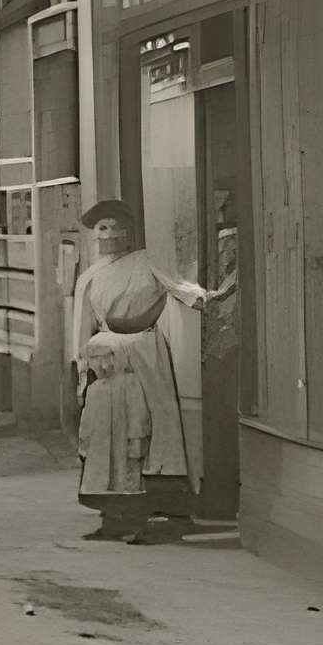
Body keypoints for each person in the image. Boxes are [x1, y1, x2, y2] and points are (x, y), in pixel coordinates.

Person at [71, 200, 207, 543]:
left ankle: (163, 516)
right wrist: (82, 369)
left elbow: (180, 286)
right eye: (102, 228)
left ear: (129, 231)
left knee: (148, 428)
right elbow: (81, 326)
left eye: (117, 226)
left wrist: (205, 298)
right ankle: (114, 516)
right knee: (106, 433)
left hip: (144, 354)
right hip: (105, 358)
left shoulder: (147, 262)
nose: (110, 234)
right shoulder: (90, 276)